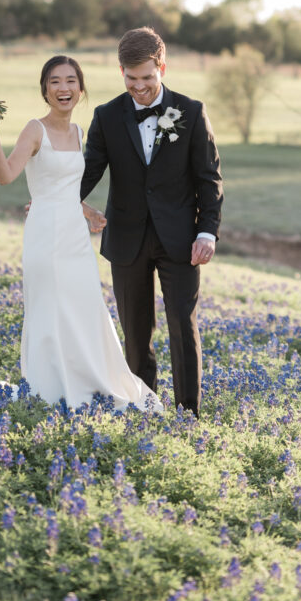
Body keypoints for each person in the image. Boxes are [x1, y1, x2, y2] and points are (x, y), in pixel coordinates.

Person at [0, 55, 161, 412]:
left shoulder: (79, 132)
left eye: (71, 81)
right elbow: (5, 175)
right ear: (45, 90)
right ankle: (52, 387)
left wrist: (87, 210)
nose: (64, 89)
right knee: (51, 307)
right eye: (55, 82)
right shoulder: (35, 129)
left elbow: (68, 186)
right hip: (45, 233)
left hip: (76, 236)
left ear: (81, 88)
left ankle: (90, 382)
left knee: (84, 307)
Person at [80, 27, 223, 417]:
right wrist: (54, 197)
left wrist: (207, 231)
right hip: (126, 240)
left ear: (162, 67)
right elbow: (87, 171)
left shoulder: (190, 112)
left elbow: (209, 178)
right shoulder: (107, 116)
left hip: (181, 240)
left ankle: (187, 415)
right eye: (131, 78)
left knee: (182, 326)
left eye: (147, 77)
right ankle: (145, 409)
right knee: (136, 335)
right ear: (121, 71)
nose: (139, 86)